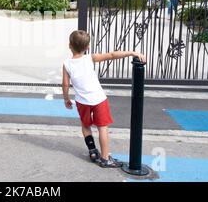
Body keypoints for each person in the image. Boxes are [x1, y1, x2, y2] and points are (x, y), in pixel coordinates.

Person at [62, 30, 146, 168]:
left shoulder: (67, 64)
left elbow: (65, 84)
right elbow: (112, 55)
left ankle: (93, 151)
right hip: (98, 99)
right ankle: (105, 158)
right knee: (102, 127)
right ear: (87, 47)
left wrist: (66, 99)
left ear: (69, 45)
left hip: (82, 101)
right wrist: (132, 52)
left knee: (85, 125)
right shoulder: (90, 58)